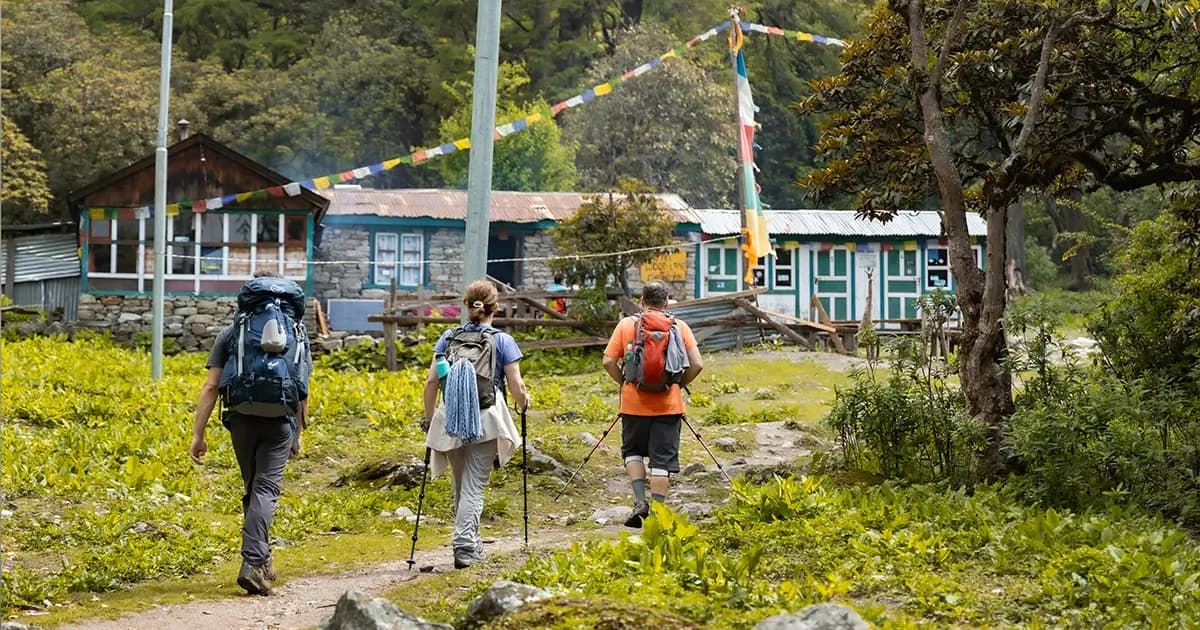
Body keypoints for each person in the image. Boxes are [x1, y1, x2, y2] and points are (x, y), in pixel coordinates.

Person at [189, 271, 312, 596]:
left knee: (253, 488)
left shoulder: (231, 333)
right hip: (279, 419)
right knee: (266, 490)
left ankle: (261, 559)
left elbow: (212, 386)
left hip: (241, 417)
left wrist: (198, 434)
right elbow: (302, 390)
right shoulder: (296, 334)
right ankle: (254, 562)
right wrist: (298, 434)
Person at [422, 280, 529, 569]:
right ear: (495, 308)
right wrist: (524, 401)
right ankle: (465, 546)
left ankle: (470, 540)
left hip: (451, 418)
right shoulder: (502, 340)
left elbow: (432, 381)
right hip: (485, 419)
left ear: (467, 306)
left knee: (460, 485)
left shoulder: (449, 337)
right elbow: (516, 385)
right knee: (473, 486)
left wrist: (430, 418)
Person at [602, 281, 703, 528]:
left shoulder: (627, 325)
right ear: (666, 302)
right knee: (662, 462)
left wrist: (625, 381)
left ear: (641, 300)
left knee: (633, 453)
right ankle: (657, 513)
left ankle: (639, 502)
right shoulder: (679, 326)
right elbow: (697, 364)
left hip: (633, 404)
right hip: (669, 405)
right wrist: (677, 385)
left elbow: (607, 361)